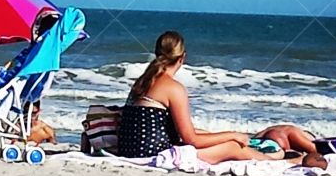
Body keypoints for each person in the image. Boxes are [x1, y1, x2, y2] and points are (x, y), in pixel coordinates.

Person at [117, 31, 282, 164]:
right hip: (153, 154)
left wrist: (219, 135)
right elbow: (191, 140)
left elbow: (171, 129)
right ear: (182, 58)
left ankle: (270, 157)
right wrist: (233, 135)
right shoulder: (173, 88)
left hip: (130, 149)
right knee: (232, 147)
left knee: (218, 139)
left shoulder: (143, 82)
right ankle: (276, 161)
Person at [253, 124, 327, 169]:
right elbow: (314, 152)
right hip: (276, 138)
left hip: (256, 140)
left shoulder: (285, 129)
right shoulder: (296, 132)